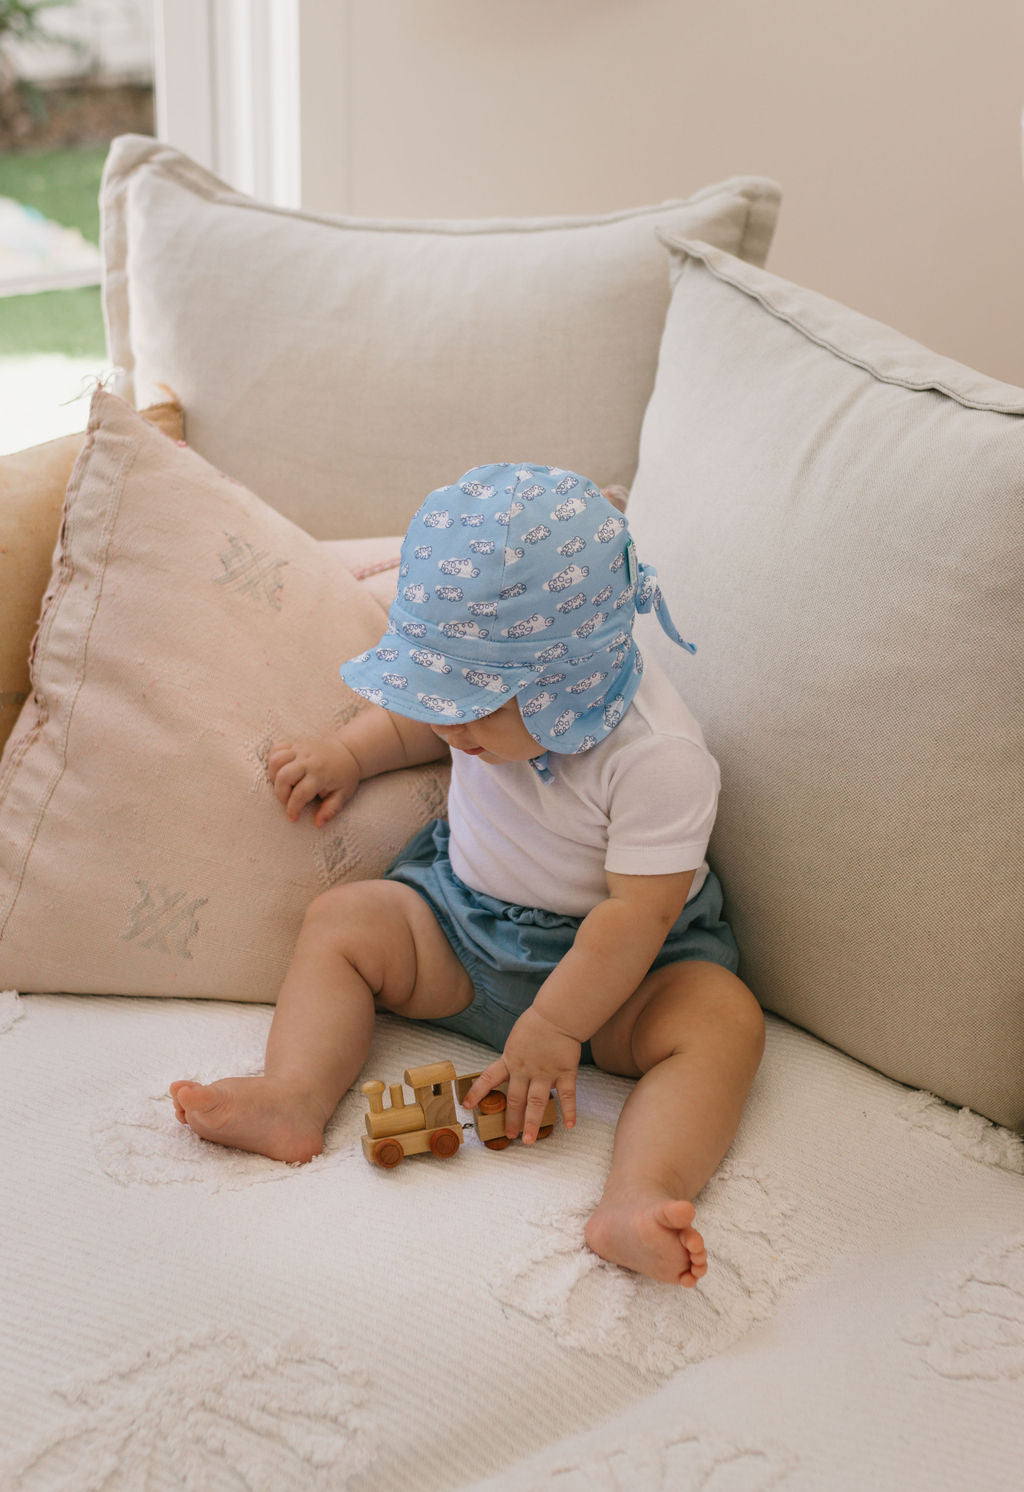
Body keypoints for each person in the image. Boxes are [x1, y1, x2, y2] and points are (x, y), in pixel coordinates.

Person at [171, 464, 764, 1287]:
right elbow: (422, 725)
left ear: (571, 682)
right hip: (462, 927)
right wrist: (351, 754)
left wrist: (557, 1027)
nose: (452, 723)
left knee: (723, 1023)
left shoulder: (659, 757)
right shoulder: (471, 716)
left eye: (475, 703)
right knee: (344, 922)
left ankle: (638, 1195)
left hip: (627, 979)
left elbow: (638, 917)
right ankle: (291, 1096)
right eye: (439, 693)